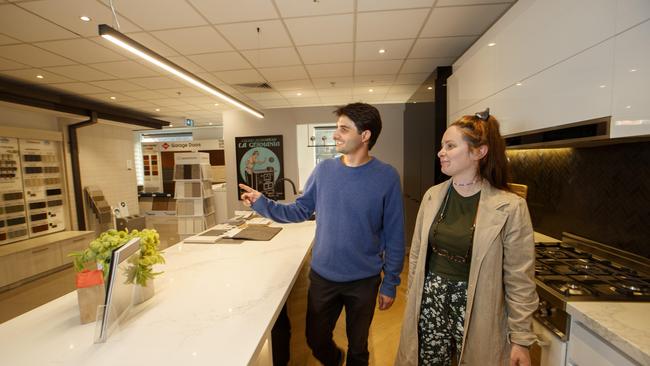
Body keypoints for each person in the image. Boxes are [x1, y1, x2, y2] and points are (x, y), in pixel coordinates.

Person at [240, 103, 405, 366]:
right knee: (315, 340)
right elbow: (300, 210)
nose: (335, 134)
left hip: (364, 280)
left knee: (359, 348)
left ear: (365, 135)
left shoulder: (387, 176)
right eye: (336, 128)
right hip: (323, 277)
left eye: (343, 128)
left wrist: (391, 282)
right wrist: (263, 203)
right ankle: (334, 359)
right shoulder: (324, 171)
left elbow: (395, 233)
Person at [395, 109, 538, 366]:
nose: (441, 152)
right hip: (431, 303)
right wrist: (415, 297)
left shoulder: (510, 207)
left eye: (450, 146)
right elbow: (416, 253)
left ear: (478, 152)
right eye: (442, 146)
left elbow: (520, 278)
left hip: (478, 309)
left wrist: (521, 339)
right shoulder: (432, 196)